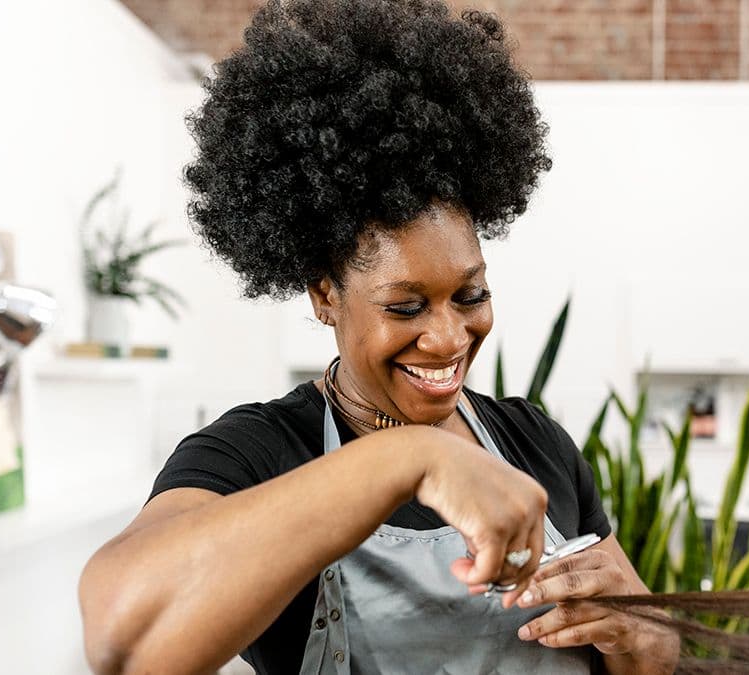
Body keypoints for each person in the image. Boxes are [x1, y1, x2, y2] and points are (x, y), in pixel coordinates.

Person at [78, 1, 677, 673]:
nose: (449, 336)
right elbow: (121, 639)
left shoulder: (535, 444)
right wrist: (410, 458)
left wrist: (649, 643)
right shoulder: (261, 452)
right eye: (406, 306)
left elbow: (639, 647)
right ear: (325, 292)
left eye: (470, 294)